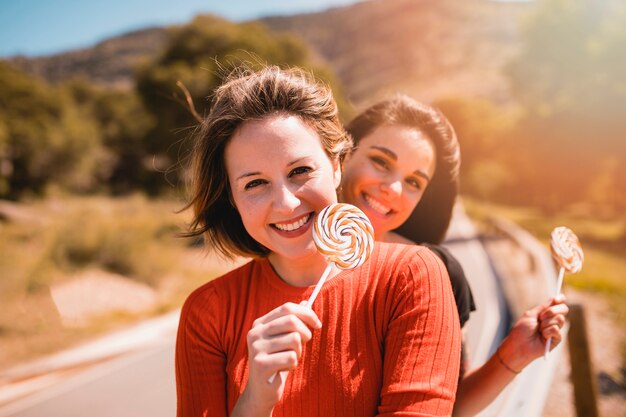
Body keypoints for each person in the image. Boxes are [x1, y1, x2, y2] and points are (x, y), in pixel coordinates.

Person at [175, 67, 461, 417]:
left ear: (337, 165)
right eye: (254, 184)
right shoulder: (206, 313)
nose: (286, 204)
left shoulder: (414, 275)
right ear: (232, 198)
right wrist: (255, 401)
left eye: (300, 171)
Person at [339, 95, 569, 417]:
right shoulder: (282, 248)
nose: (393, 189)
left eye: (414, 182)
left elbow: (450, 406)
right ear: (342, 152)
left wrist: (513, 354)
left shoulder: (438, 275)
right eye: (380, 161)